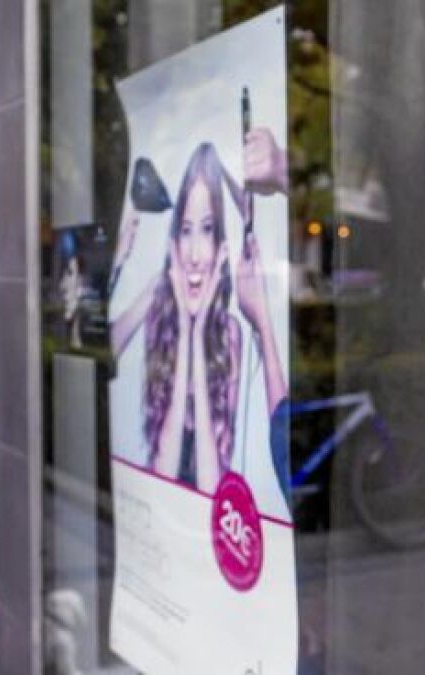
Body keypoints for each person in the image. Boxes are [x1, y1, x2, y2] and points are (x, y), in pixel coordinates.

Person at [110, 130, 290, 497]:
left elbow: (212, 487)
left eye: (207, 230)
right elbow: (163, 471)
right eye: (186, 231)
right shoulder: (160, 319)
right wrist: (180, 321)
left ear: (221, 242)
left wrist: (199, 331)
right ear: (174, 242)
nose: (194, 254)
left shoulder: (229, 333)